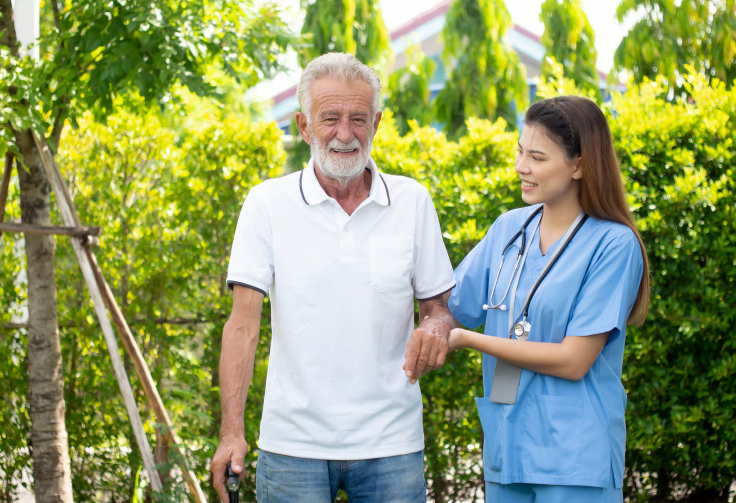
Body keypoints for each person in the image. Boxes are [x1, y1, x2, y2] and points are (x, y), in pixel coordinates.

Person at [210, 52, 457, 503]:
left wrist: (438, 325)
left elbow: (437, 307)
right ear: (304, 126)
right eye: (330, 119)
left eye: (359, 118)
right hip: (292, 445)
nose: (346, 134)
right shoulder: (266, 204)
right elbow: (243, 326)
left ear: (377, 123)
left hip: (392, 444)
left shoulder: (412, 201)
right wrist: (231, 433)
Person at [443, 96, 650, 502]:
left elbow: (574, 361)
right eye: (521, 152)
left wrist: (469, 340)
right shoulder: (508, 229)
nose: (521, 166)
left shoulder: (612, 245)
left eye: (537, 157)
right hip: (507, 444)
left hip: (575, 458)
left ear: (579, 165)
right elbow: (448, 304)